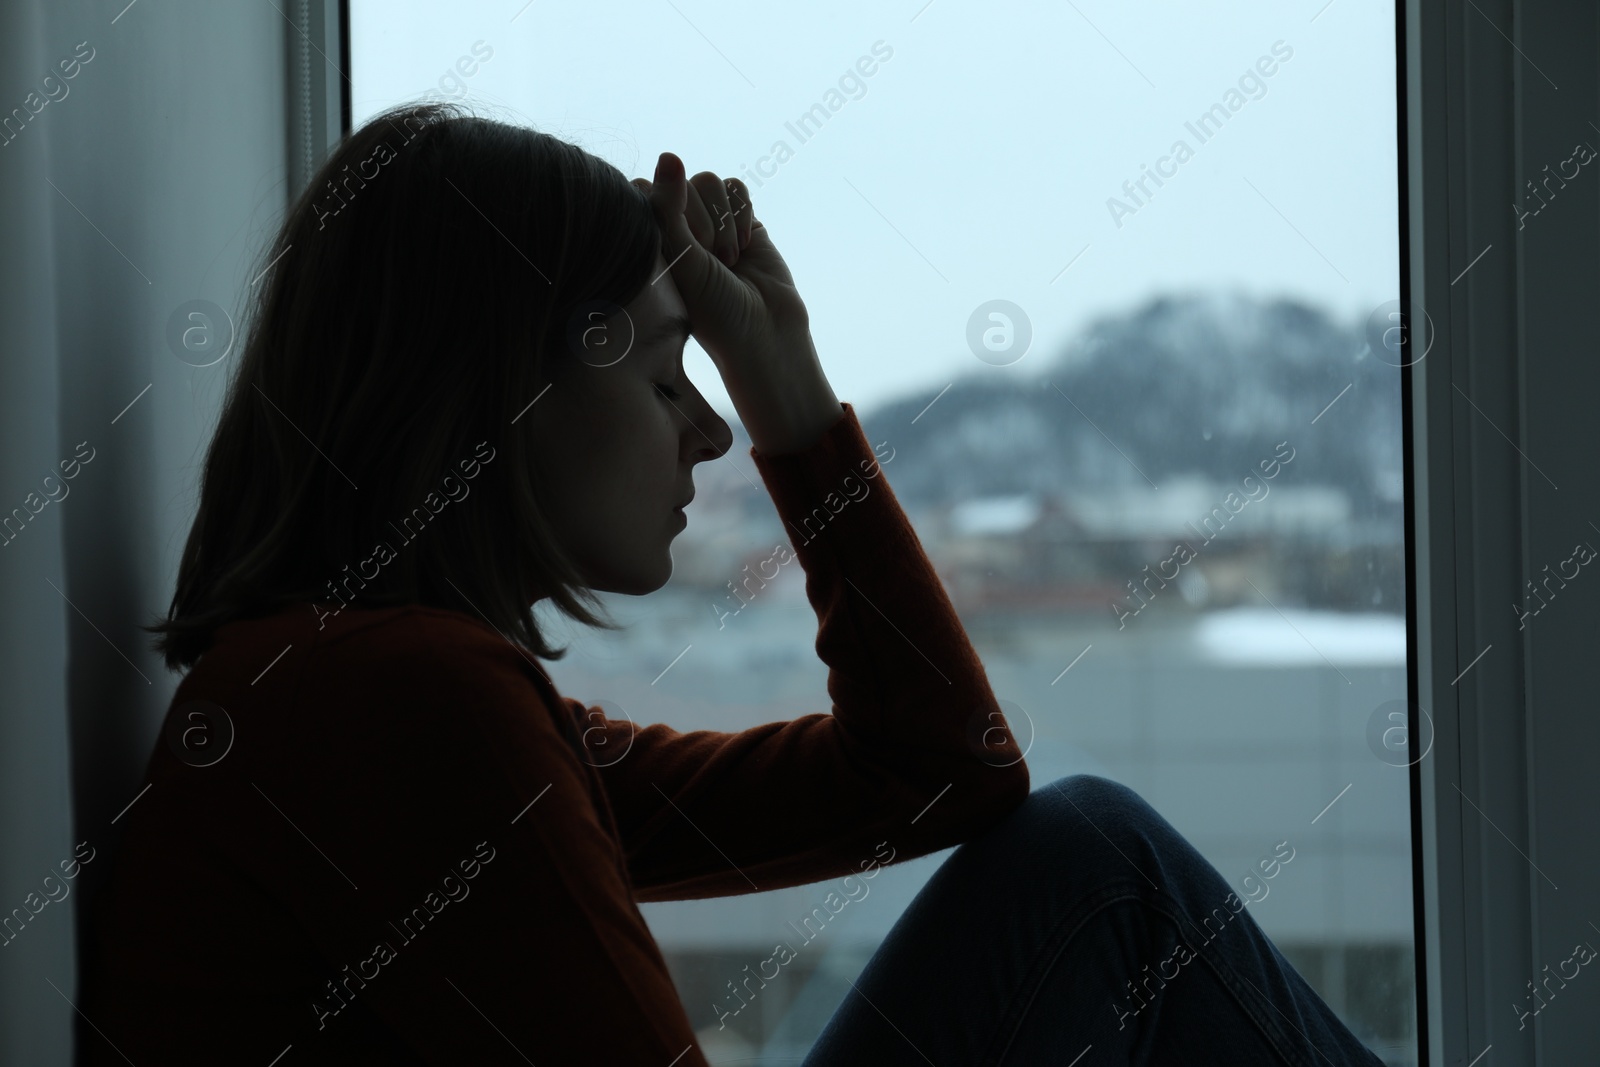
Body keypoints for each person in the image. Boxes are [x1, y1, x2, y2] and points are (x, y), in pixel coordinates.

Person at [74, 101, 1389, 1066]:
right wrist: (789, 414)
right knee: (1104, 870)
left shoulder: (352, 692)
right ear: (498, 397)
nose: (706, 434)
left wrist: (788, 384)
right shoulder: (403, 700)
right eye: (664, 377)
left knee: (1085, 851)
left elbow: (942, 771)